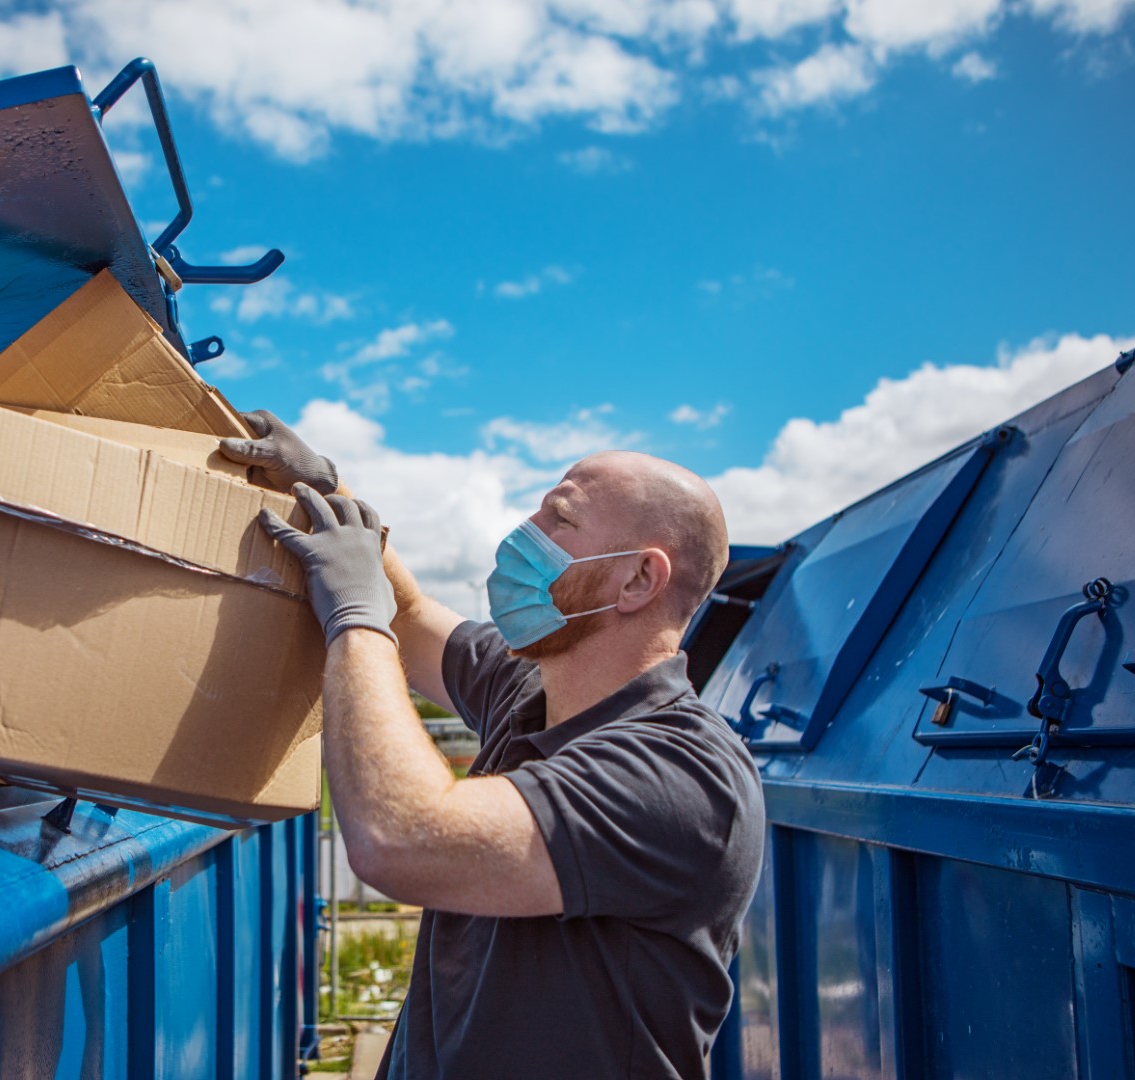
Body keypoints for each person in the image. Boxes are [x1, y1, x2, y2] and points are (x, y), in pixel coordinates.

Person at [220, 411, 766, 1080]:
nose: (520, 539)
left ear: (637, 581)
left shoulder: (682, 774)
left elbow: (402, 836)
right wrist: (329, 490)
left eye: (557, 522)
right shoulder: (530, 689)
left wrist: (355, 619)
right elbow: (415, 617)